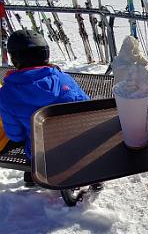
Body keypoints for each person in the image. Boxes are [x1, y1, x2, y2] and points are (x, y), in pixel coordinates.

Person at [0, 29, 89, 187]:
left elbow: (16, 135)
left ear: (15, 59)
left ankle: (32, 175)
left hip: (40, 155)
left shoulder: (6, 94)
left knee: (30, 140)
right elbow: (86, 108)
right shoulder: (64, 79)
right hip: (75, 146)